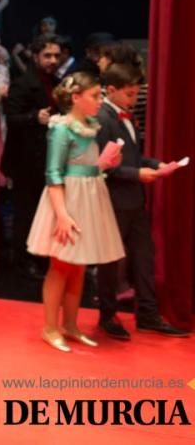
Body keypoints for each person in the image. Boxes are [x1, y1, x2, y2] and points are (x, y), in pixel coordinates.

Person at [25, 71, 125, 352]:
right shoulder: (61, 128)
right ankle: (50, 327)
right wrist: (62, 215)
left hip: (90, 196)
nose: (99, 100)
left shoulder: (91, 126)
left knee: (78, 266)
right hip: (68, 199)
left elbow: (86, 163)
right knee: (61, 265)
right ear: (76, 97)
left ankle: (70, 324)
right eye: (95, 96)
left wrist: (105, 164)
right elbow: (54, 173)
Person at [96, 63, 188, 339]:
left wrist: (157, 164)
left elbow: (132, 158)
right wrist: (138, 173)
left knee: (144, 258)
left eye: (136, 94)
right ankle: (108, 315)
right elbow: (102, 166)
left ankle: (147, 313)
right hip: (113, 201)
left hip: (134, 200)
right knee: (111, 262)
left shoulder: (125, 118)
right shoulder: (103, 119)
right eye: (130, 95)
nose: (134, 101)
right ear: (110, 90)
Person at [1, 35, 60, 278]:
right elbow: (11, 118)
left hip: (48, 158)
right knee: (26, 211)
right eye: (47, 55)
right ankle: (24, 260)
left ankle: (41, 257)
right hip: (26, 161)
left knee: (46, 211)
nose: (53, 60)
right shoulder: (23, 83)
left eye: (56, 55)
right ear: (35, 56)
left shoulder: (57, 82)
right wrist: (34, 117)